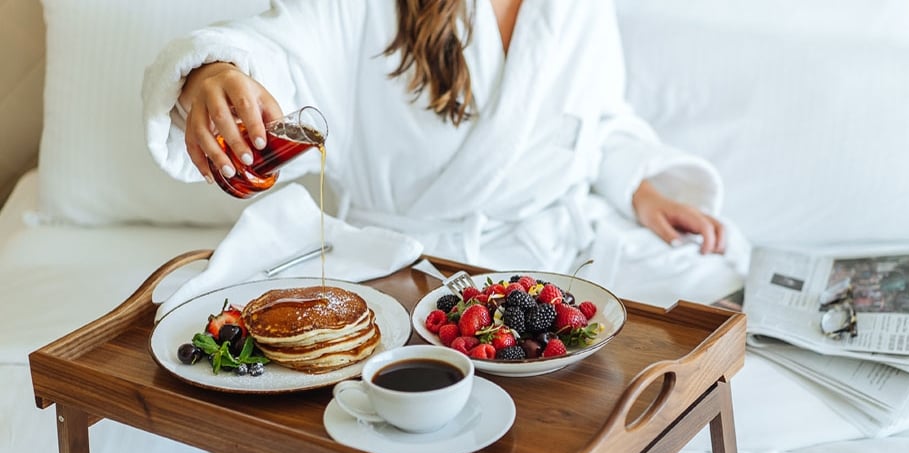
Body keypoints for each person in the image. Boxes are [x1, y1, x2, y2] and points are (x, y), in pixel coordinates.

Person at [142, 0, 747, 308]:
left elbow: (594, 116)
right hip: (416, 261)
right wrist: (213, 75)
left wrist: (640, 188)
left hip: (559, 240)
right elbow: (279, 48)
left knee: (726, 285)